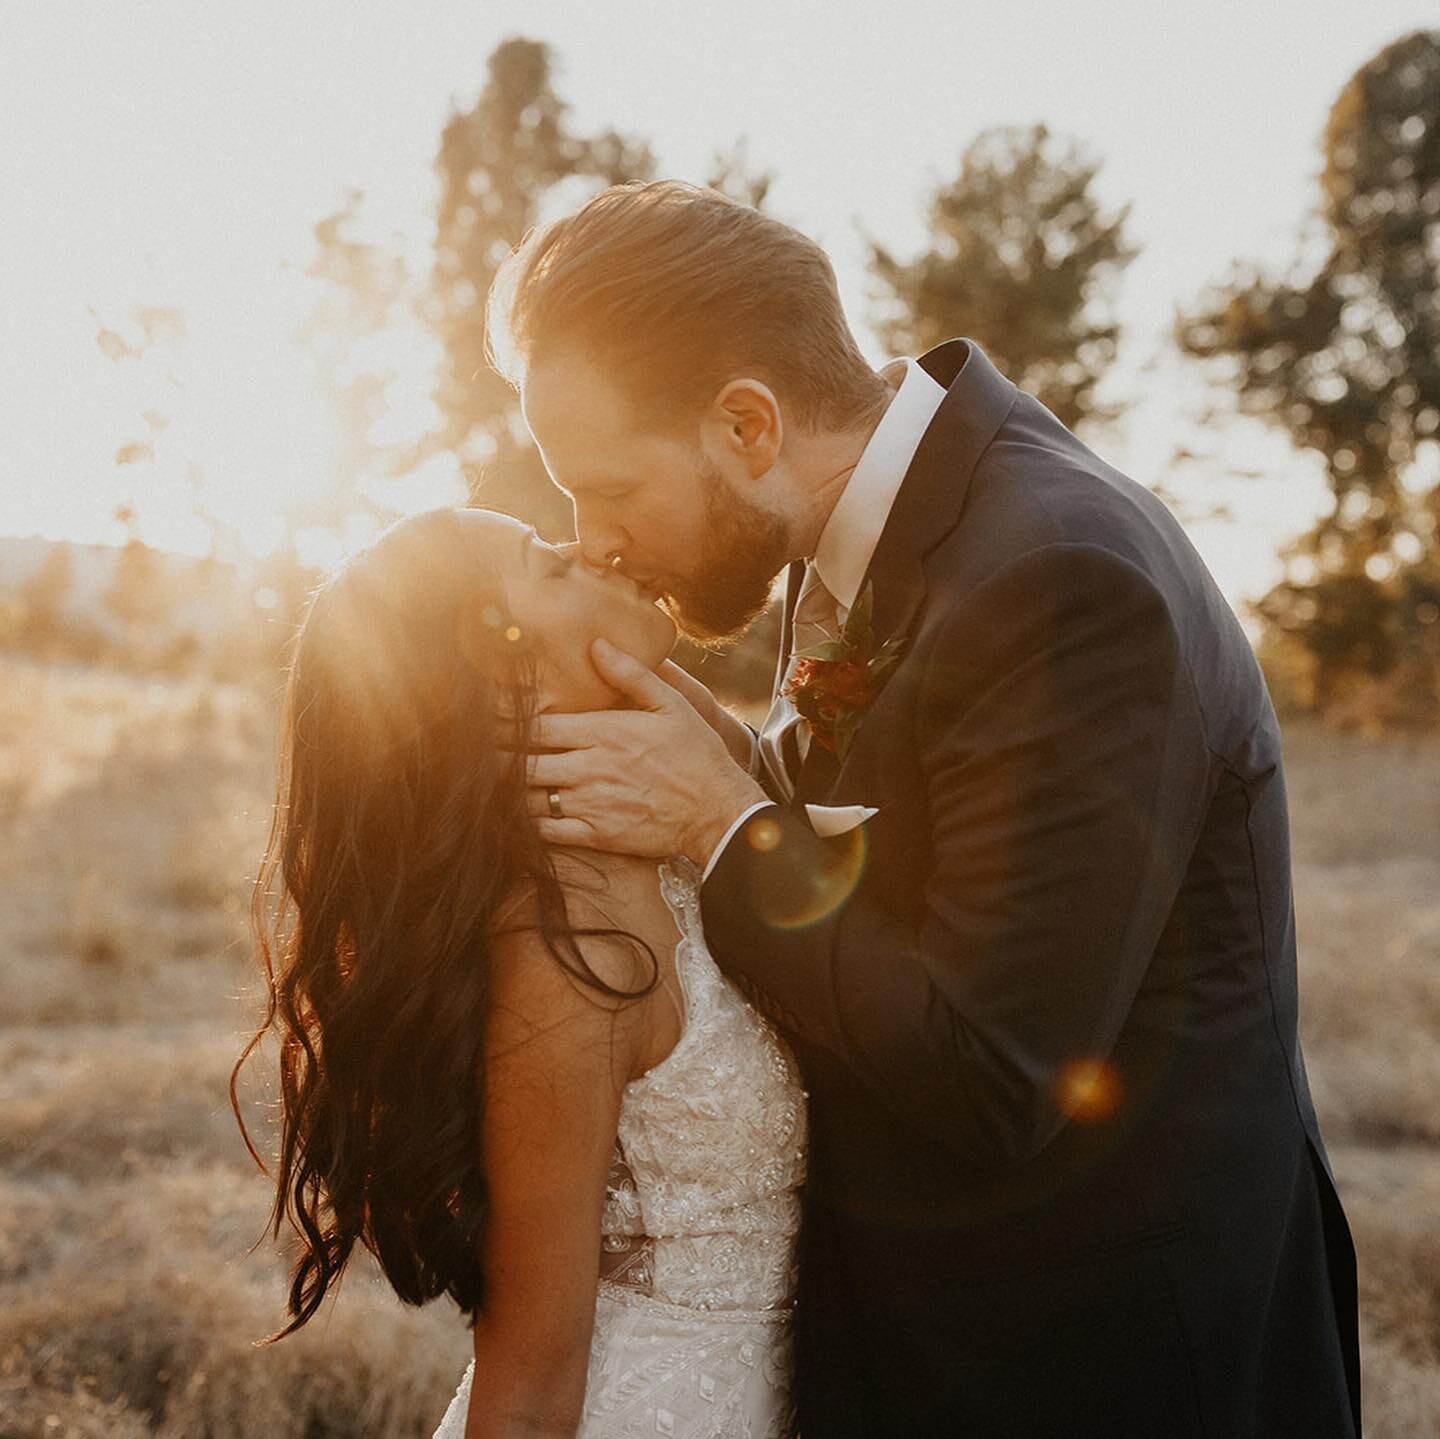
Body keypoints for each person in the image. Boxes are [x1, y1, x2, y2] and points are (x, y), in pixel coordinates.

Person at [494, 179, 1363, 1436]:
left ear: (747, 424)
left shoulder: (1062, 576)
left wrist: (716, 822)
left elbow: (996, 1072)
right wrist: (720, 752)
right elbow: (901, 819)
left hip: (1103, 1364)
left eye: (612, 487)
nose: (599, 538)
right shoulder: (874, 535)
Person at [231, 506, 807, 1438]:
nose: (595, 543)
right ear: (506, 674)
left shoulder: (670, 834)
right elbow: (531, 1387)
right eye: (549, 562)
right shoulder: (565, 945)